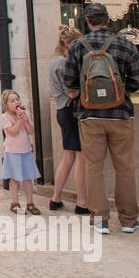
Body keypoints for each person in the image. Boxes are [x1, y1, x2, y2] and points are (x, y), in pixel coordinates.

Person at [62, 2, 139, 235]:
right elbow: (138, 81)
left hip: (89, 116)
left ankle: (99, 218)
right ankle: (129, 220)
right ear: (108, 20)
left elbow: (68, 80)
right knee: (125, 168)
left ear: (87, 21)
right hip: (121, 114)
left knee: (93, 167)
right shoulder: (125, 45)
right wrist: (120, 92)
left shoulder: (78, 46)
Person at [47, 26, 88, 214]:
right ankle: (81, 202)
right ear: (67, 44)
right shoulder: (63, 63)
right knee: (79, 155)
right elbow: (71, 92)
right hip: (70, 110)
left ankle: (56, 198)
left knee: (69, 155)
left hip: (62, 110)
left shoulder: (53, 61)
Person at [1, 90, 41, 214]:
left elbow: (30, 131)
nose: (16, 102)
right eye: (12, 101)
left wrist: (26, 120)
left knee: (28, 178)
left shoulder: (25, 114)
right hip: (13, 152)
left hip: (26, 150)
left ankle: (30, 203)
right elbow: (12, 132)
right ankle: (15, 203)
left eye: (17, 99)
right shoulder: (5, 117)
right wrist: (18, 121)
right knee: (14, 179)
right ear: (6, 105)